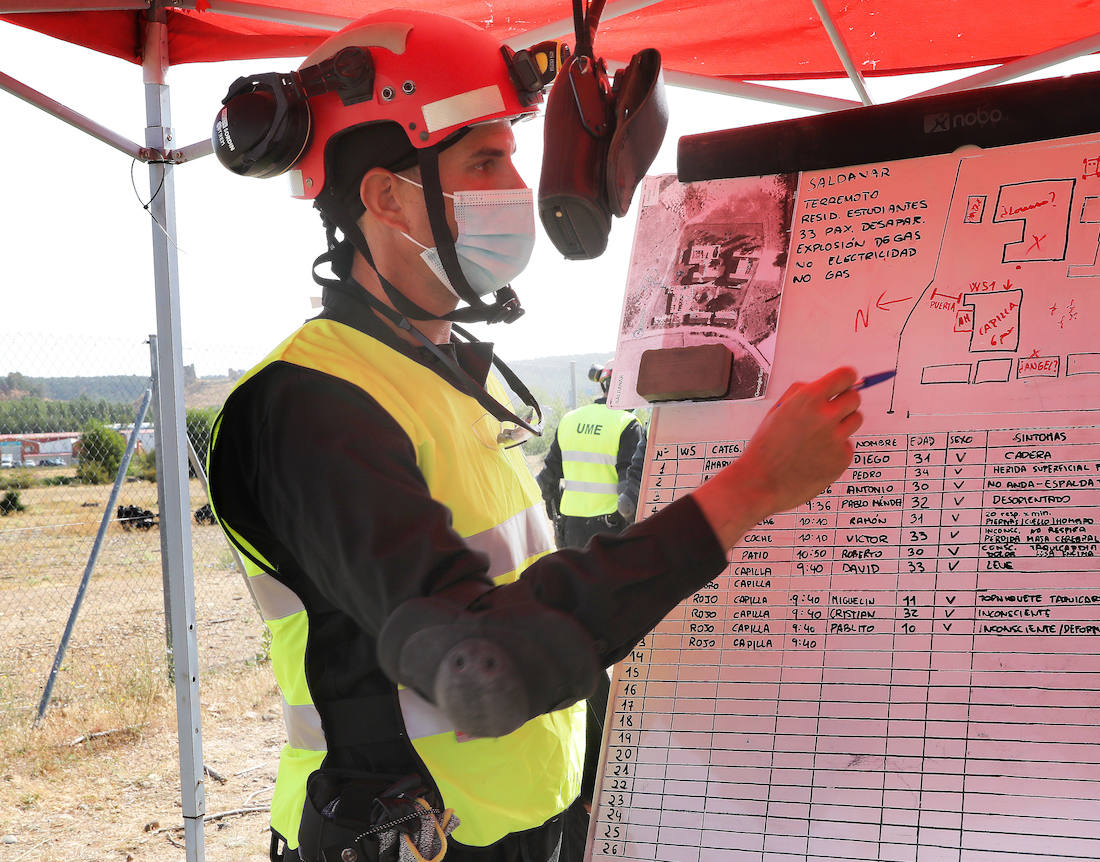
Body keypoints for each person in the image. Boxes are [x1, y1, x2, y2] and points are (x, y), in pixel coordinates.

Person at [205, 10, 862, 862]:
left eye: (513, 155)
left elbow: (529, 599)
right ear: (385, 195)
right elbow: (477, 666)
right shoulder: (308, 408)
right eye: (484, 160)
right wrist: (747, 492)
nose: (515, 184)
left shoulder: (444, 377)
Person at [535, 362, 646, 550]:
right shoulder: (626, 423)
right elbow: (629, 493)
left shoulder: (569, 420)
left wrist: (556, 519)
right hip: (611, 531)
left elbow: (546, 481)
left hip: (572, 531)